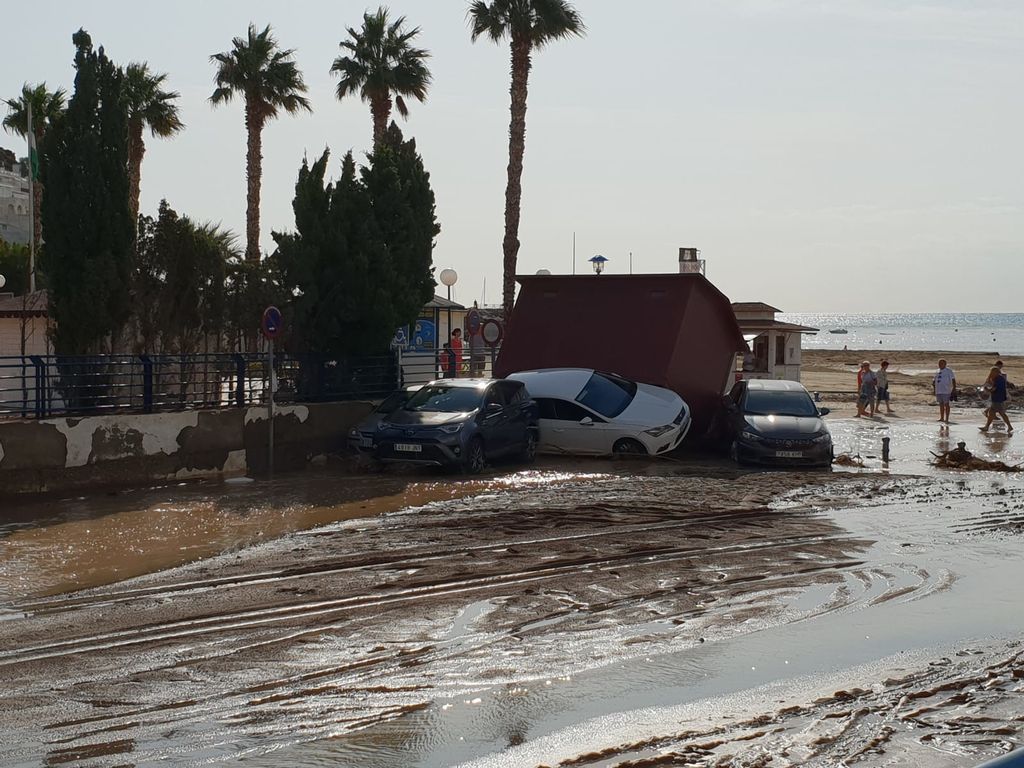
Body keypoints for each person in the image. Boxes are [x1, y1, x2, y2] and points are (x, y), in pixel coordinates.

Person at [980, 365, 1013, 433]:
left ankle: (1009, 426)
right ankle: (987, 427)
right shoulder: (1000, 378)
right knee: (992, 413)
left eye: (992, 372)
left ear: (996, 372)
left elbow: (994, 389)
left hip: (998, 399)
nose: (991, 374)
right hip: (998, 399)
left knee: (1001, 413)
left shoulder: (998, 379)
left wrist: (987, 390)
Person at [933, 358, 956, 423]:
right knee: (941, 404)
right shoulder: (937, 371)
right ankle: (942, 418)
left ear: (945, 364)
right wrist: (934, 389)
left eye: (941, 363)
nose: (940, 365)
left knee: (946, 404)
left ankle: (947, 418)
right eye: (939, 363)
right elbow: (934, 380)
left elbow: (953, 380)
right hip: (938, 390)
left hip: (946, 390)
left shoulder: (949, 371)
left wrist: (954, 388)